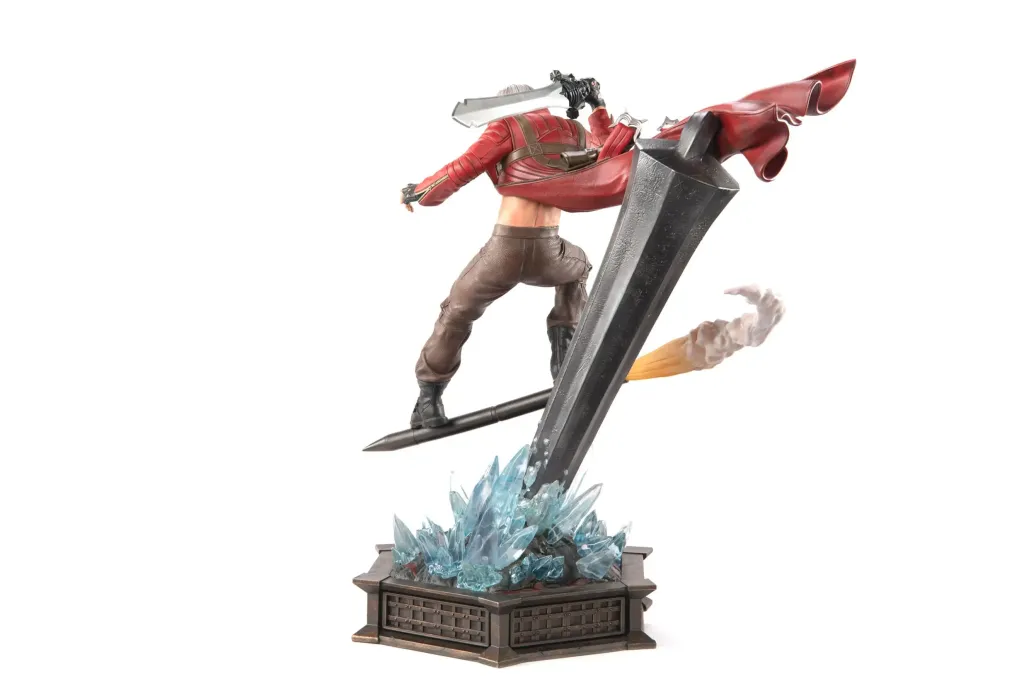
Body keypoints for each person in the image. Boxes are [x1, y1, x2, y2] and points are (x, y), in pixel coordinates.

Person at [400, 80, 638, 429]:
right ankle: (565, 358)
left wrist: (418, 193)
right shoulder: (573, 131)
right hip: (550, 253)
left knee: (457, 312)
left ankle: (428, 401)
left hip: (505, 251)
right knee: (579, 267)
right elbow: (612, 149)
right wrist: (597, 105)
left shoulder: (507, 126)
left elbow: (461, 169)